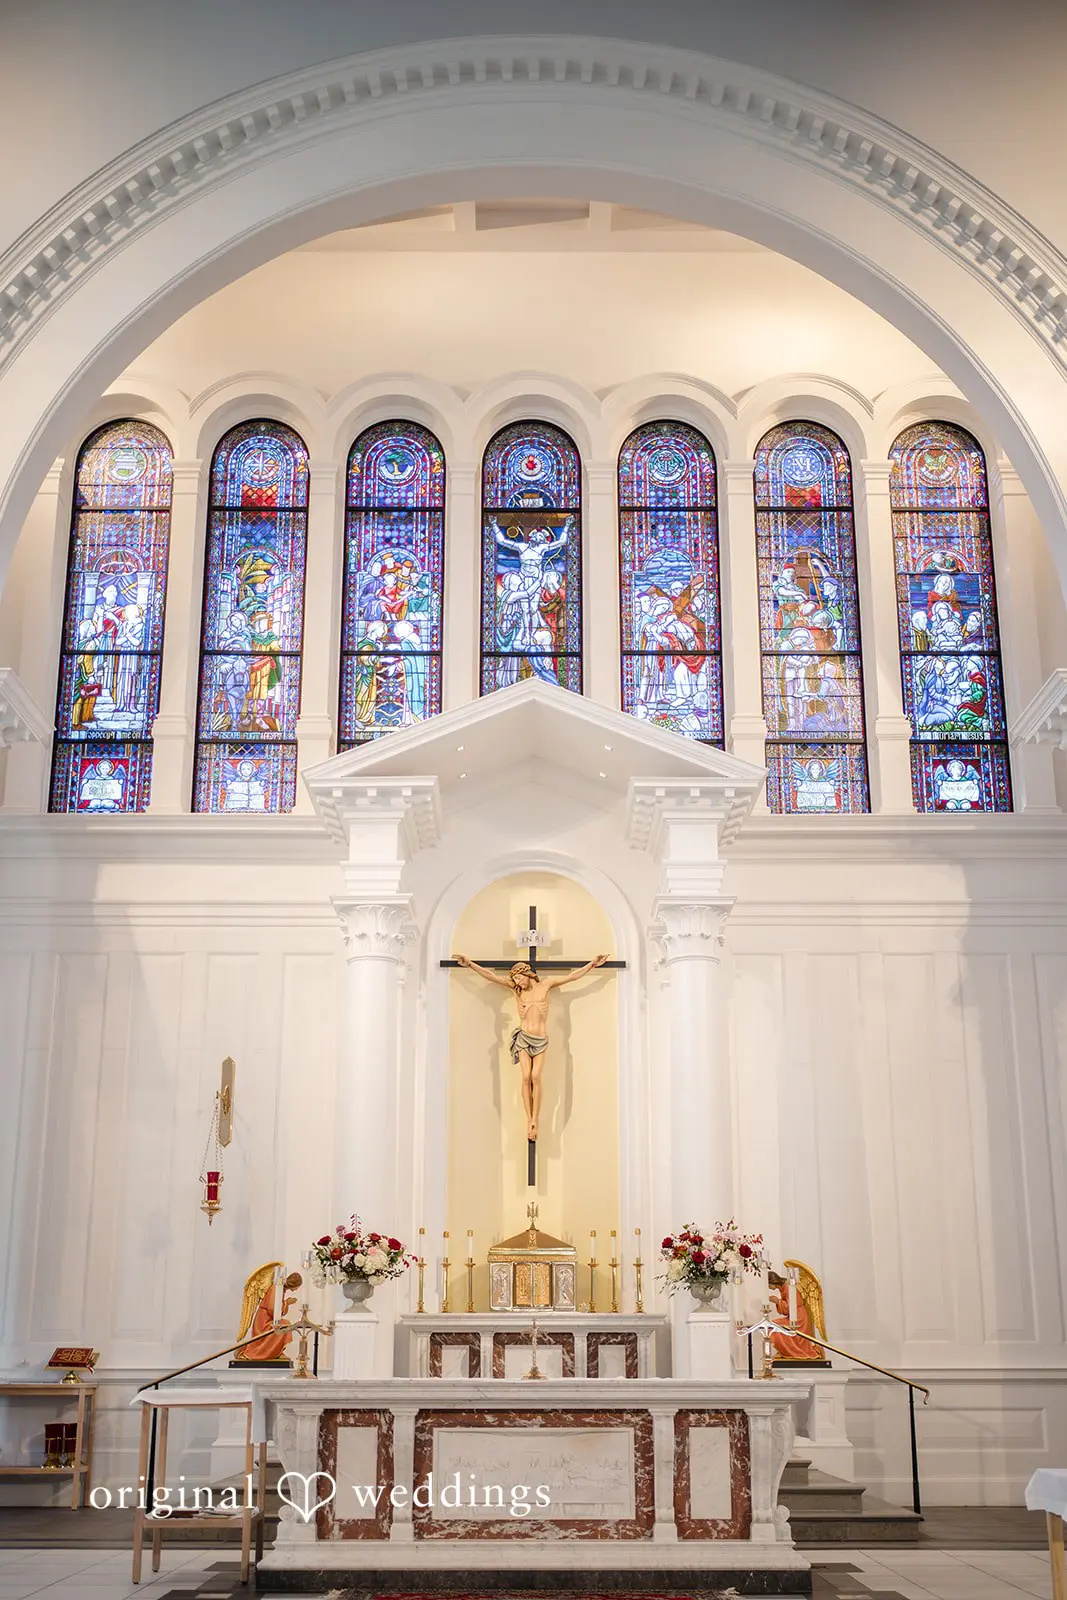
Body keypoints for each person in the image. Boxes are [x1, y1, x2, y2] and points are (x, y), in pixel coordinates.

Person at [453, 951, 608, 1141]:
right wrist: (470, 964)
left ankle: (536, 1117)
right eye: (514, 979)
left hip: (541, 1038)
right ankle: (531, 1121)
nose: (517, 982)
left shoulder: (546, 986)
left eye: (518, 977)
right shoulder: (516, 990)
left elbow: (572, 977)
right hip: (524, 1037)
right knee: (526, 1076)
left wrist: (592, 964)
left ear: (527, 973)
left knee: (536, 1076)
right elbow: (491, 976)